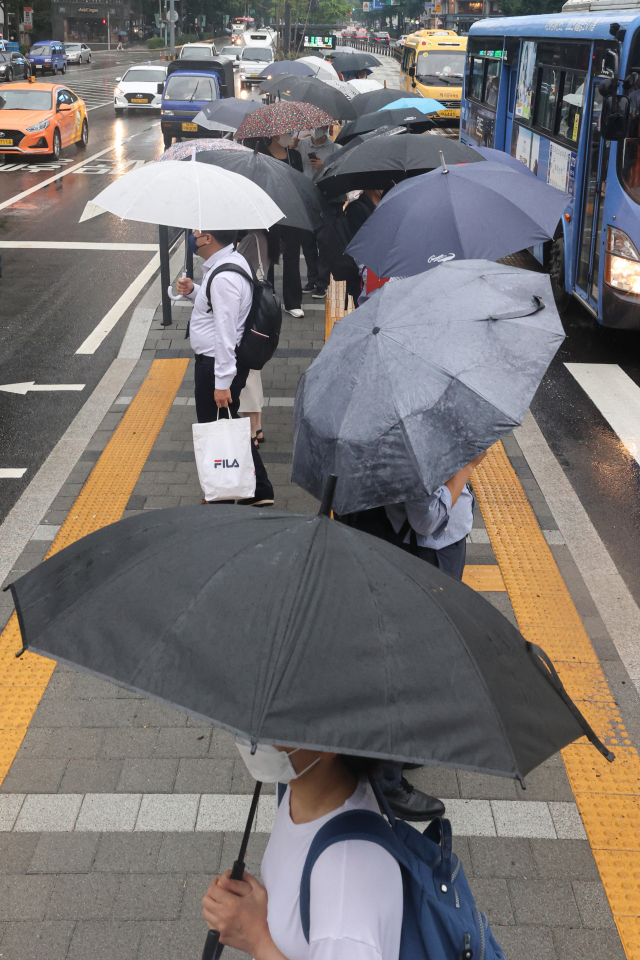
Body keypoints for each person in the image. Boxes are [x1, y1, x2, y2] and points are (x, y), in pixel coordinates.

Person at [202, 743, 403, 960]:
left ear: (327, 744)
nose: (253, 739)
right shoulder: (300, 786)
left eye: (277, 719)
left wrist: (257, 938)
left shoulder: (345, 887)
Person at [176, 228, 274, 507]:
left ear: (207, 238)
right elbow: (216, 311)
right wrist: (195, 291)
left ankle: (222, 495)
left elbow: (225, 332)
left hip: (214, 367)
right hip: (216, 366)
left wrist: (221, 382)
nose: (193, 235)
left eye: (197, 231)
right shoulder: (226, 263)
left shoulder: (225, 276)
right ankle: (258, 491)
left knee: (215, 430)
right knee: (228, 426)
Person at [236, 230, 277, 446]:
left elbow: (238, 267)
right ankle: (257, 426)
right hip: (259, 311)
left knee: (247, 375)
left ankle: (251, 431)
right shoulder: (263, 236)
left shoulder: (251, 239)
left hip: (250, 310)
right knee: (253, 372)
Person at [258, 135, 305, 319]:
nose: (288, 136)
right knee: (267, 257)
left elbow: (299, 181)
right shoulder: (261, 154)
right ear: (274, 134)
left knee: (292, 257)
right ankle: (266, 300)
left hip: (291, 212)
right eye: (285, 132)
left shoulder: (294, 156)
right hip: (268, 213)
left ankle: (292, 302)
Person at [297, 126, 342, 299]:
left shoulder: (334, 149)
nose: (318, 130)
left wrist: (325, 166)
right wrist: (292, 146)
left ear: (326, 128)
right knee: (307, 242)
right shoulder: (302, 144)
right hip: (305, 197)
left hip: (325, 199)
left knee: (324, 242)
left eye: (322, 127)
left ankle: (322, 284)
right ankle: (311, 279)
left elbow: (337, 174)